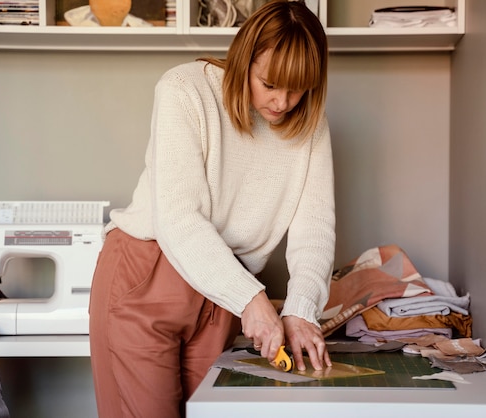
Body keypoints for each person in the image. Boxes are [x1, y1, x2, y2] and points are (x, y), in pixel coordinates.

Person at [88, 1, 335, 416]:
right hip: (147, 278)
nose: (282, 102)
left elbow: (315, 229)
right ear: (243, 61)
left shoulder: (311, 125)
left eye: (299, 89)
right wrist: (253, 300)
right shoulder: (185, 90)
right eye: (270, 83)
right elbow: (179, 218)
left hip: (225, 293)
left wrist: (299, 310)